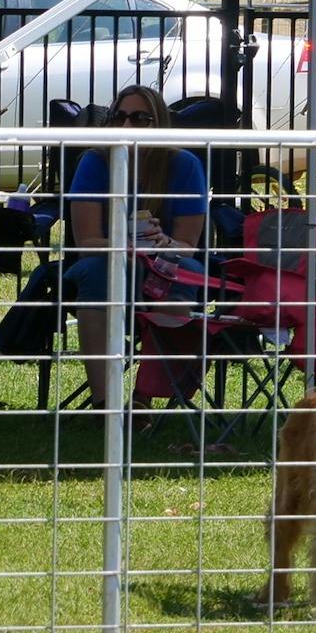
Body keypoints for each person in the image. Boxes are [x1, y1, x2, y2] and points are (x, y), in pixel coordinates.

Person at [61, 84, 210, 407]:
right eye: (120, 117)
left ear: (159, 123)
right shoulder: (94, 161)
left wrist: (164, 242)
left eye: (140, 118)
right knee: (96, 271)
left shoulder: (184, 165)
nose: (127, 125)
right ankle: (106, 405)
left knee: (184, 269)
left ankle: (146, 397)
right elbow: (87, 243)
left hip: (163, 262)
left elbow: (187, 245)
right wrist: (127, 244)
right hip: (108, 259)